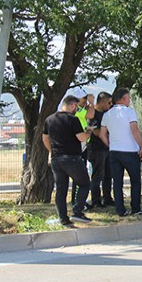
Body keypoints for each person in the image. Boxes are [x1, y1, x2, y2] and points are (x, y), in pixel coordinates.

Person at [42, 95, 94, 227]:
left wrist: (52, 151)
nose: (77, 110)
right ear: (72, 105)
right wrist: (89, 132)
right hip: (72, 157)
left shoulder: (49, 119)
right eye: (76, 107)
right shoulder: (72, 119)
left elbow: (45, 139)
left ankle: (63, 219)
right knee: (84, 183)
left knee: (61, 189)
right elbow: (82, 138)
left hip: (56, 159)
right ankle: (77, 211)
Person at [100, 88, 142, 217]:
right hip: (129, 151)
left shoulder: (107, 114)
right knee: (135, 180)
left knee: (117, 182)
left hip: (114, 151)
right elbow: (134, 130)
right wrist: (141, 146)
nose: (129, 100)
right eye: (129, 98)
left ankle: (120, 209)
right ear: (124, 99)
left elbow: (102, 134)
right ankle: (135, 207)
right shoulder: (129, 112)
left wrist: (110, 145)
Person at [87, 92, 115, 208]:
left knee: (108, 175)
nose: (110, 105)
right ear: (102, 102)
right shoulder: (93, 114)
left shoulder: (107, 114)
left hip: (107, 148)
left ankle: (107, 198)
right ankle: (96, 200)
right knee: (98, 175)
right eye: (109, 102)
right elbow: (97, 132)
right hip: (97, 149)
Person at [70, 88, 95, 206]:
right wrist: (91, 103)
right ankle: (76, 200)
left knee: (83, 172)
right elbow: (90, 114)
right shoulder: (77, 110)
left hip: (84, 145)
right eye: (84, 98)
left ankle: (81, 199)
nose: (85, 100)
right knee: (78, 174)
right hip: (79, 144)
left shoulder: (80, 109)